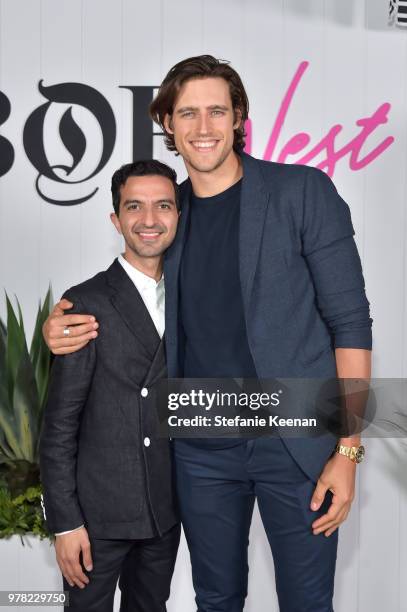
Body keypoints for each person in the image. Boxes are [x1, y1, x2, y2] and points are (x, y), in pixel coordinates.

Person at [43, 56, 372, 612]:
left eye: (217, 110)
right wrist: (63, 323)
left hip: (296, 437)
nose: (203, 127)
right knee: (215, 599)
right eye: (187, 113)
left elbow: (351, 324)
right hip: (199, 447)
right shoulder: (166, 211)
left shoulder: (303, 191)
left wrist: (350, 447)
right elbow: (125, 287)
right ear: (167, 123)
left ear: (239, 116)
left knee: (307, 601)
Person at [40, 160, 181, 612]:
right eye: (134, 207)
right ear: (116, 219)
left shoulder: (190, 295)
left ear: (178, 215)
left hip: (164, 509)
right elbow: (59, 425)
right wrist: (65, 524)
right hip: (96, 518)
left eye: (163, 205)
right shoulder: (87, 301)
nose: (149, 220)